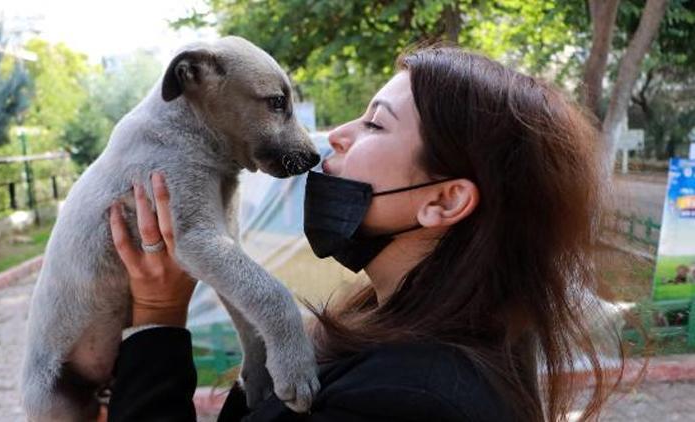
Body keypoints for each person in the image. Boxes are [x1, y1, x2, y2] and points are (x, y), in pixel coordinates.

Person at [106, 45, 623, 421]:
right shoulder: (402, 327)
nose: (337, 137)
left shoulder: (409, 402)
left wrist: (156, 319)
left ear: (445, 200)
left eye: (375, 124)